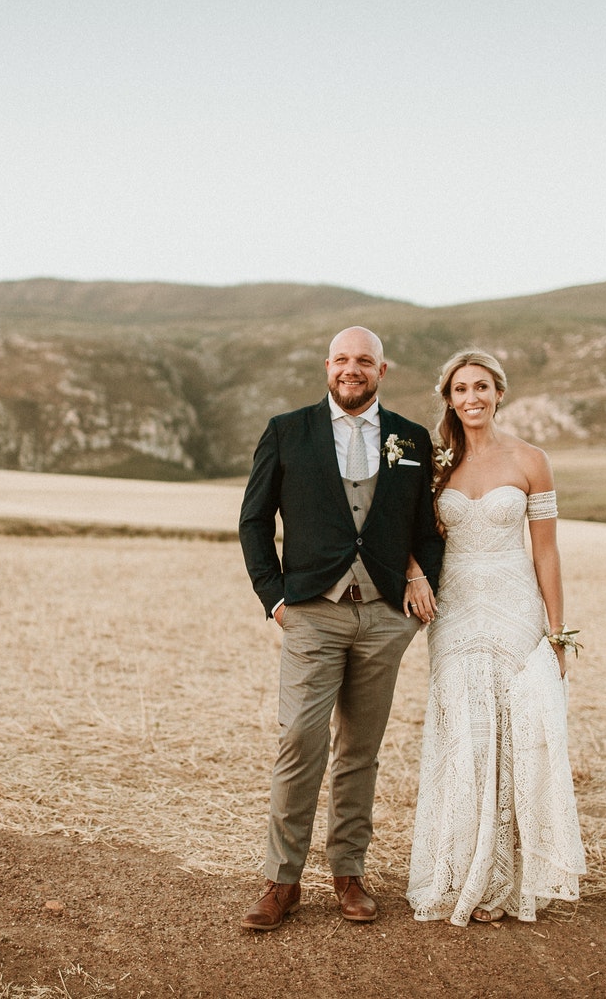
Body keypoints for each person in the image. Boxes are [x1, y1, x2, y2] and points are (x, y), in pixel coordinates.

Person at [238, 326, 445, 931]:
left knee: (360, 750)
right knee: (300, 740)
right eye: (342, 359)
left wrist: (416, 584)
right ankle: (282, 881)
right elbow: (254, 521)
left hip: (384, 619)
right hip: (312, 613)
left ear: (383, 370)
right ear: (327, 366)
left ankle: (349, 873)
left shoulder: (411, 437)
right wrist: (275, 599)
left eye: (364, 360)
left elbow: (427, 528)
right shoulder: (287, 430)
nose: (351, 369)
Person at [404, 349, 585, 927]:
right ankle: (460, 869)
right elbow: (402, 529)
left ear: (499, 393)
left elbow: (546, 551)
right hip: (454, 610)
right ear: (449, 398)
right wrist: (413, 572)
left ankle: (506, 878)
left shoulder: (531, 460)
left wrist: (558, 634)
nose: (471, 398)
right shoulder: (435, 465)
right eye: (460, 389)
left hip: (515, 609)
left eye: (481, 386)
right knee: (464, 733)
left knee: (516, 734)